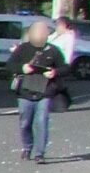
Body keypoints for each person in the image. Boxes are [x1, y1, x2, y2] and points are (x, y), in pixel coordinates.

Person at [7, 21, 67, 163]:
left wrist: (55, 72)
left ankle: (40, 153)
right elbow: (9, 65)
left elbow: (66, 67)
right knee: (25, 122)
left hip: (45, 91)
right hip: (25, 90)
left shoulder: (53, 50)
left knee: (41, 121)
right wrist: (22, 68)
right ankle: (27, 147)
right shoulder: (22, 49)